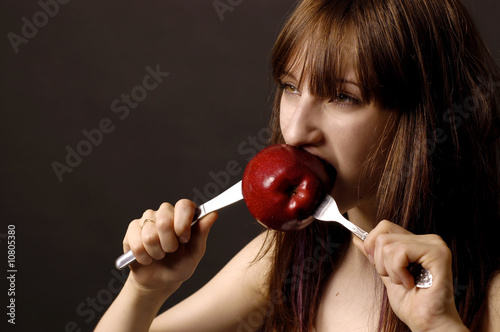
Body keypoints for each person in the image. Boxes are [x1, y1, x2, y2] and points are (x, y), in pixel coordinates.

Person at [95, 0, 500, 330]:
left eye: (343, 96)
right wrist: (145, 293)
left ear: (423, 117)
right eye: (290, 87)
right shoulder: (288, 260)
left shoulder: (491, 292)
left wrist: (439, 326)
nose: (294, 132)